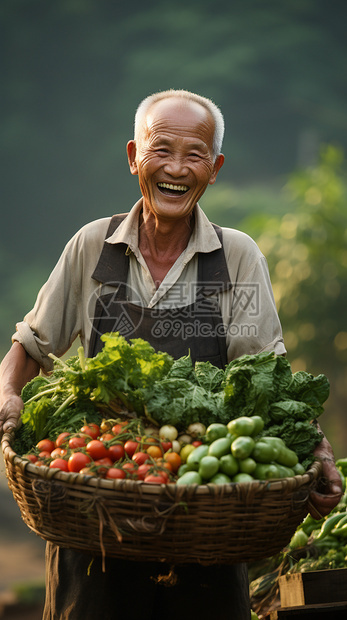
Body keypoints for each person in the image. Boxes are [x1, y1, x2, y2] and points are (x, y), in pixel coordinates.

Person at [0, 89, 342, 619]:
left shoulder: (237, 257)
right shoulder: (94, 245)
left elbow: (271, 378)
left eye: (195, 154)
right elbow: (31, 343)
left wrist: (318, 450)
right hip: (97, 509)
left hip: (206, 512)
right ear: (135, 156)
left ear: (215, 168)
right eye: (162, 151)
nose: (176, 168)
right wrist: (7, 394)